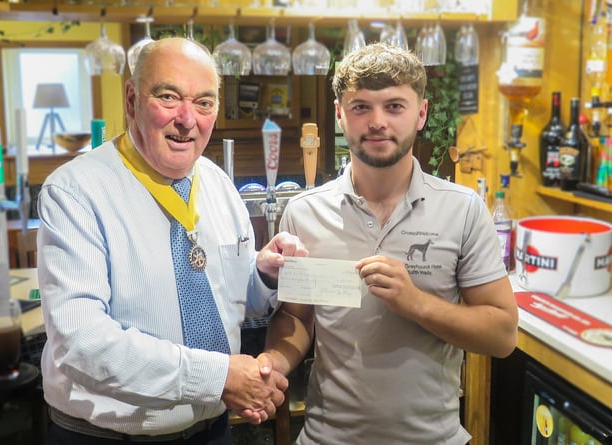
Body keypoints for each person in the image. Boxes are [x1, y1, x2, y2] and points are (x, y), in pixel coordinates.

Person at [37, 37, 307, 445]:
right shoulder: (76, 191)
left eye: (204, 102)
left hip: (211, 431)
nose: (187, 119)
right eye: (168, 97)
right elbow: (82, 342)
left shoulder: (217, 183)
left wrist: (263, 274)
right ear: (131, 100)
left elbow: (229, 300)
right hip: (104, 437)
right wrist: (217, 378)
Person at [261, 43, 519, 444]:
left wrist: (416, 303)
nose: (377, 122)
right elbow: (297, 318)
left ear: (422, 114)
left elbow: (502, 336)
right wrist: (273, 362)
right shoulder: (304, 212)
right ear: (339, 115)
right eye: (361, 107)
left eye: (394, 106)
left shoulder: (463, 210)